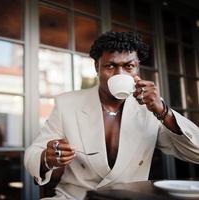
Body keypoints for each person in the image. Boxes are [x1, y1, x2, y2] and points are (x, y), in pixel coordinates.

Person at [24, 31, 199, 200]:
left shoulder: (152, 109)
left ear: (137, 68)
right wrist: (47, 158)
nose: (120, 74)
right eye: (111, 66)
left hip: (128, 199)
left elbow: (196, 153)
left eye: (129, 66)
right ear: (96, 67)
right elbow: (33, 152)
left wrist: (163, 111)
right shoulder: (67, 103)